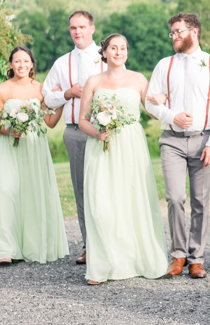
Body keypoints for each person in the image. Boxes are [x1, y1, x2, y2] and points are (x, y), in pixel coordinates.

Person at [78, 34, 169, 285]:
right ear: (104, 52)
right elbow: (82, 120)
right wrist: (98, 132)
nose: (119, 52)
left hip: (131, 145)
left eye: (123, 48)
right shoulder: (93, 81)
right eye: (113, 48)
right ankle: (103, 265)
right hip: (101, 146)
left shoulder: (139, 79)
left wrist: (161, 101)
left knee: (131, 199)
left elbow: (152, 110)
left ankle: (136, 260)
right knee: (101, 203)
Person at [145, 13, 210, 279]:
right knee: (174, 198)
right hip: (171, 140)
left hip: (204, 138)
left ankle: (197, 259)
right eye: (172, 33)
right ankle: (178, 255)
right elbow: (149, 103)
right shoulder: (163, 65)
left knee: (200, 201)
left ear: (194, 31)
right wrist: (172, 116)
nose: (174, 36)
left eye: (178, 32)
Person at [0, 46, 68, 265]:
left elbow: (49, 122)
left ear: (32, 64)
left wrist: (61, 101)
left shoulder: (41, 89)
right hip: (7, 147)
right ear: (10, 65)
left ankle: (32, 245)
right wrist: (10, 130)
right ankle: (4, 249)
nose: (21, 65)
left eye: (25, 61)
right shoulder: (1, 90)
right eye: (17, 61)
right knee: (5, 191)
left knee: (31, 193)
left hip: (33, 146)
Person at [41, 10, 104, 264]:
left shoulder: (106, 59)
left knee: (105, 188)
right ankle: (89, 245)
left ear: (92, 29)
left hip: (102, 132)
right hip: (74, 133)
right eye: (72, 28)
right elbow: (47, 96)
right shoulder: (61, 63)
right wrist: (67, 93)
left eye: (81, 27)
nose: (77, 32)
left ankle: (108, 244)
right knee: (81, 189)